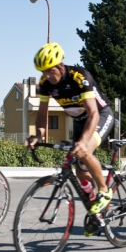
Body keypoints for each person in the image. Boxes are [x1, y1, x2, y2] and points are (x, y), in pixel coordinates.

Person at [26, 42, 115, 237]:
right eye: (43, 72)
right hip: (79, 121)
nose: (47, 76)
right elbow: (42, 114)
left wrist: (84, 142)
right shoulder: (45, 84)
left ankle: (104, 190)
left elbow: (93, 113)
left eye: (49, 71)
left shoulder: (79, 77)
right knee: (80, 172)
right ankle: (96, 211)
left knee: (85, 151)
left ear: (60, 65)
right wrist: (38, 134)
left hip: (100, 116)